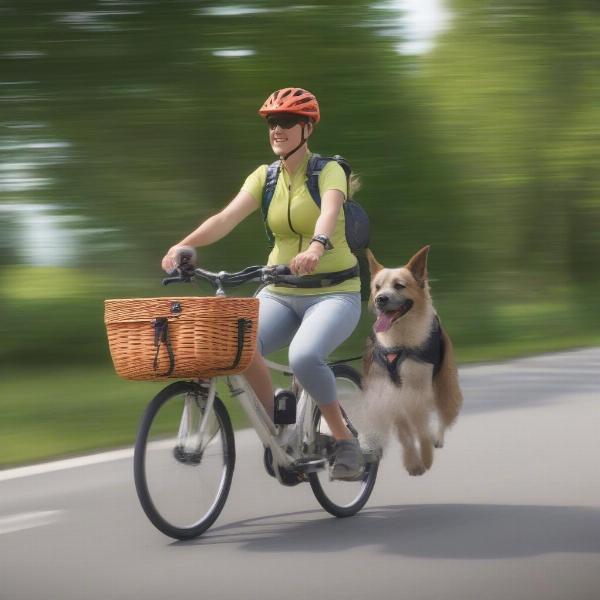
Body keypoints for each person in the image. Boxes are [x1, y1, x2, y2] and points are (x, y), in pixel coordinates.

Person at [162, 87, 362, 479]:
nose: (277, 130)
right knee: (237, 346)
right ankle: (280, 432)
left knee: (303, 358)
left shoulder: (328, 170)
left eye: (286, 122)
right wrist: (184, 244)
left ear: (307, 128)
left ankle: (343, 440)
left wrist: (318, 248)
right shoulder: (264, 177)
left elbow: (330, 212)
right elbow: (224, 219)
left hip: (333, 292)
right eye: (272, 123)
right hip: (281, 291)